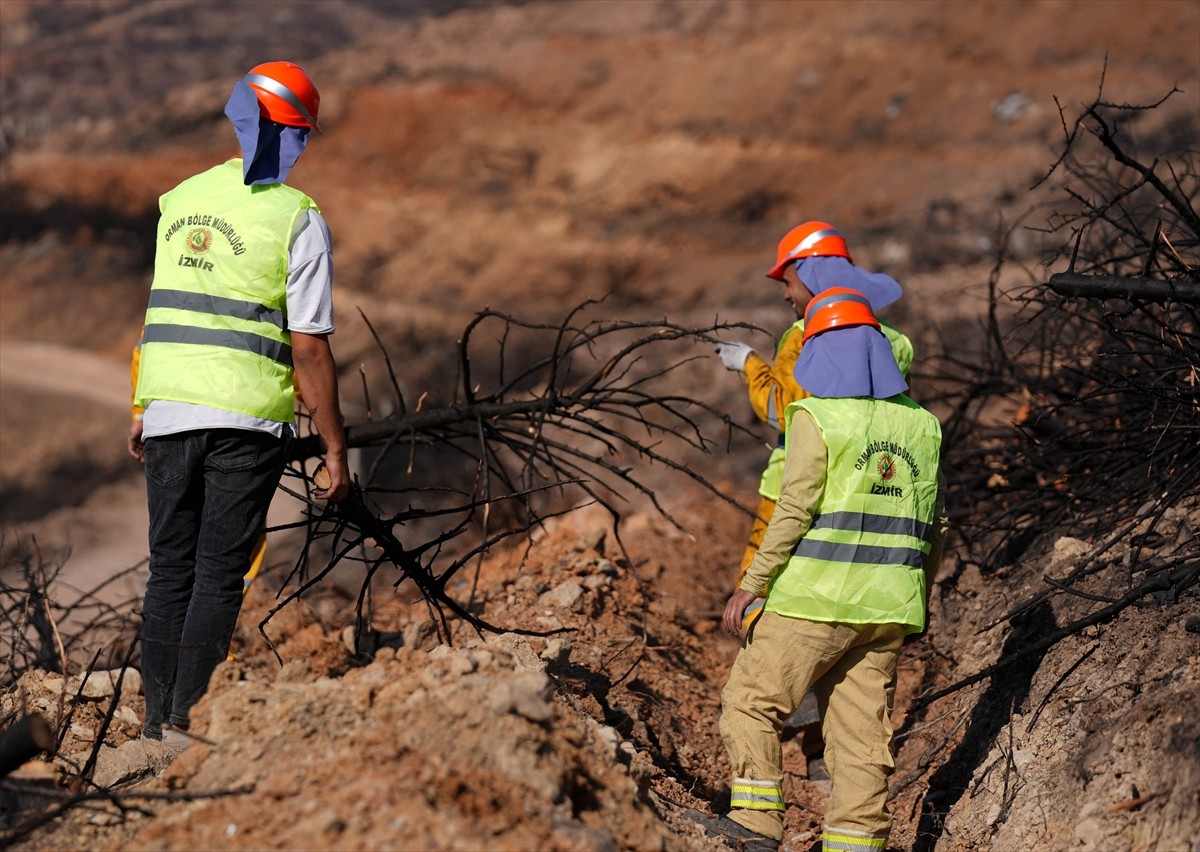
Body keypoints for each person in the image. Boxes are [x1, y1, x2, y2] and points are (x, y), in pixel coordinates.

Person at [128, 60, 350, 745]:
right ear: (293, 134)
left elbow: (162, 310)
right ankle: (183, 728)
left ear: (239, 119)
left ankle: (151, 726)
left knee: (169, 569)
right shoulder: (297, 217)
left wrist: (142, 405)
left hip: (168, 408)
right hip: (245, 422)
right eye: (300, 136)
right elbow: (309, 346)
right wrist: (336, 447)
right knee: (218, 575)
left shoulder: (180, 200)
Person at [702, 289, 944, 852]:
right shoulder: (924, 428)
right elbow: (933, 525)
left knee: (751, 702)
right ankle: (856, 844)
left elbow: (794, 510)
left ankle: (757, 826)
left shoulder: (816, 416)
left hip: (813, 599)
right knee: (860, 737)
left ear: (820, 351)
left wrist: (751, 584)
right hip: (888, 608)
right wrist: (918, 604)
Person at [714, 222, 914, 633]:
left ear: (812, 276)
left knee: (762, 593)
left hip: (792, 486)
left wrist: (748, 363)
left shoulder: (806, 333)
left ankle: (770, 685)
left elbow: (779, 409)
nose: (786, 293)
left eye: (789, 282)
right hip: (864, 487)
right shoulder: (895, 339)